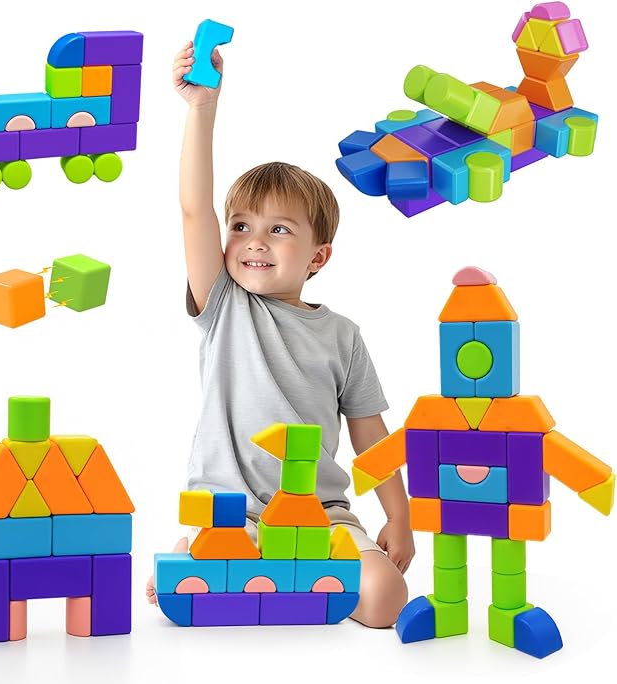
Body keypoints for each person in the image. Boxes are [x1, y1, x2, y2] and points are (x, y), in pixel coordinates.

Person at [146, 41, 415, 628]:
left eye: (280, 230)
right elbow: (194, 210)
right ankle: (213, 561)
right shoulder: (223, 303)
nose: (254, 242)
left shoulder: (343, 335)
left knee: (384, 601)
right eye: (241, 226)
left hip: (321, 512)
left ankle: (264, 577)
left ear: (318, 257)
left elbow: (371, 435)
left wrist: (398, 515)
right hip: (230, 511)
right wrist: (202, 108)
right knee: (187, 598)